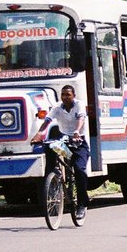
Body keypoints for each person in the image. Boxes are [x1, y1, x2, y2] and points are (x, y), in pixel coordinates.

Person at [30, 84, 89, 220]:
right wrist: (39, 134)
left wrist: (76, 132)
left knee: (80, 170)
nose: (65, 97)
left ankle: (82, 205)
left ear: (73, 95)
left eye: (68, 94)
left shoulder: (79, 105)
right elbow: (47, 121)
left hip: (79, 142)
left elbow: (81, 118)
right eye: (63, 94)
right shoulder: (57, 107)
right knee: (50, 146)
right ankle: (54, 176)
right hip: (64, 141)